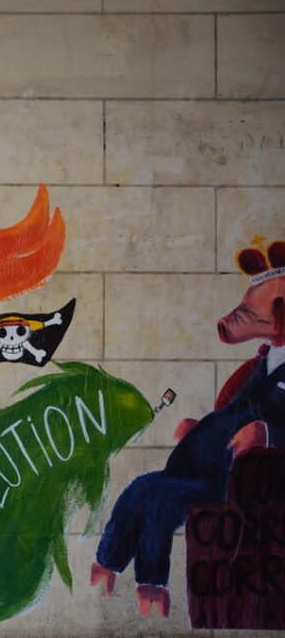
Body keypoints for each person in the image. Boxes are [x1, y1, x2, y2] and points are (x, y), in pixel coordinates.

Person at [91, 239, 285, 617]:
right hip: (201, 465)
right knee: (140, 488)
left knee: (160, 499)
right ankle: (108, 564)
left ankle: (152, 586)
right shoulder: (266, 361)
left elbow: (270, 419)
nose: (237, 320)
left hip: (230, 477)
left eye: (253, 313)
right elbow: (234, 411)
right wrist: (201, 430)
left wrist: (266, 434)